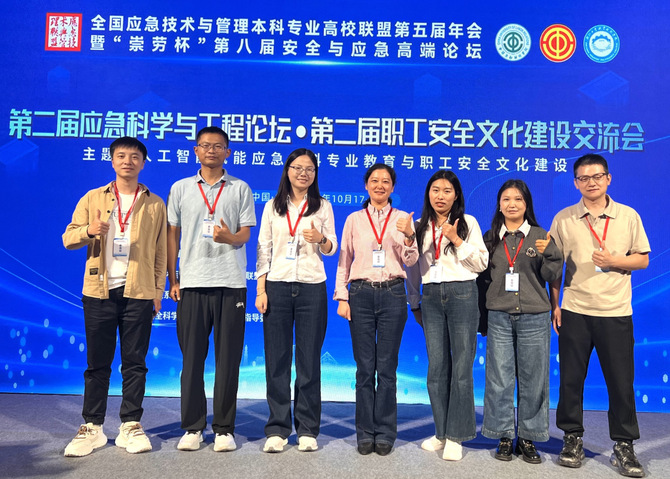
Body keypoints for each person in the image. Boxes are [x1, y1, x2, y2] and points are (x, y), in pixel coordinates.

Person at [62, 137, 167, 457]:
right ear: (112, 161)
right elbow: (68, 238)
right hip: (99, 292)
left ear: (143, 163)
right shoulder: (92, 198)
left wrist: (157, 291)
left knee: (135, 363)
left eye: (135, 157)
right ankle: (92, 427)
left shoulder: (154, 203)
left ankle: (130, 425)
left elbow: (161, 253)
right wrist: (88, 231)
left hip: (139, 292)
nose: (127, 162)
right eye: (121, 156)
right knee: (97, 363)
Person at [550, 154, 650, 477]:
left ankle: (624, 445)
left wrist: (614, 260)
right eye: (583, 178)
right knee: (570, 380)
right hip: (575, 310)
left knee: (621, 382)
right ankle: (572, 439)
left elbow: (643, 259)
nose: (590, 182)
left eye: (596, 176)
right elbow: (555, 266)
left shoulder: (628, 216)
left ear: (608, 179)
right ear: (575, 183)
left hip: (615, 311)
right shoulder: (564, 218)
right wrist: (555, 304)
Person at [167, 126, 256, 452]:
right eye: (205, 145)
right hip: (192, 283)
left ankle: (223, 429)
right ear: (196, 150)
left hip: (231, 283)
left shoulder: (240, 188)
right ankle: (193, 427)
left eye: (218, 146)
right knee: (191, 360)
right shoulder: (180, 188)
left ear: (227, 152)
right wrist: (173, 279)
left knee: (228, 361)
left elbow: (245, 234)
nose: (212, 151)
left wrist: (229, 238)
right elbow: (172, 235)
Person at [255, 148, 338, 453]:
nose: (304, 173)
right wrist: (261, 290)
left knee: (309, 361)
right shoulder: (272, 206)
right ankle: (278, 428)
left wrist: (321, 240)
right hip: (277, 286)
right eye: (298, 168)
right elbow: (263, 248)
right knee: (276, 360)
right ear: (287, 171)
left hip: (311, 287)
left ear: (315, 174)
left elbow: (332, 248)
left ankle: (307, 429)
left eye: (310, 169)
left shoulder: (323, 206)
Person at [334, 163, 418, 456]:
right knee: (364, 368)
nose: (380, 185)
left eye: (385, 181)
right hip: (360, 293)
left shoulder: (402, 219)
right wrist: (342, 297)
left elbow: (410, 260)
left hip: (393, 293)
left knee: (387, 368)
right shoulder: (354, 219)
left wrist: (410, 236)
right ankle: (364, 432)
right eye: (374, 180)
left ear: (392, 187)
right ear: (366, 186)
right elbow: (344, 260)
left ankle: (384, 432)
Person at [406, 171, 488, 461]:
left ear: (456, 195)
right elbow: (411, 267)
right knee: (437, 367)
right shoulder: (419, 226)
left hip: (462, 293)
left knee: (462, 366)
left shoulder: (468, 222)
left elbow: (481, 263)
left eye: (447, 191)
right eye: (435, 190)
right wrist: (414, 302)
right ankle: (441, 432)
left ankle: (457, 435)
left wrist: (456, 240)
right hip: (430, 296)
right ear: (428, 193)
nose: (440, 196)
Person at [479, 179, 562, 464]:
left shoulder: (540, 235)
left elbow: (552, 275)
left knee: (533, 379)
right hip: (499, 316)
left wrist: (550, 253)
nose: (512, 204)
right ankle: (503, 435)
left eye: (518, 199)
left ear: (527, 204)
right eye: (506, 199)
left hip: (534, 317)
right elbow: (481, 277)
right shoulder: (490, 238)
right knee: (499, 378)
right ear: (499, 205)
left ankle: (528, 436)